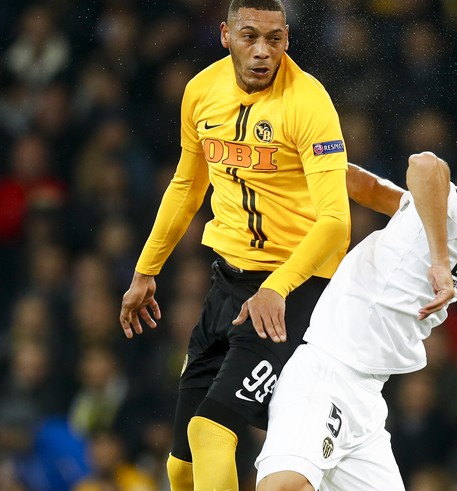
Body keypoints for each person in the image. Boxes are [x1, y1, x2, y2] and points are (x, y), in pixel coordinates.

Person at [117, 1, 402, 490]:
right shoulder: (201, 92)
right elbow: (188, 185)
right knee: (179, 468)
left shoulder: (309, 103)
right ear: (226, 35)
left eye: (275, 39)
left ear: (287, 39)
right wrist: (147, 270)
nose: (262, 52)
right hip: (227, 283)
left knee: (211, 433)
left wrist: (277, 288)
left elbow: (336, 222)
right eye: (250, 37)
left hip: (294, 290)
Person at [256, 149, 457, 490]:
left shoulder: (447, 226)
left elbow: (370, 189)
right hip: (327, 376)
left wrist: (309, 167)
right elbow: (425, 164)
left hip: (366, 400)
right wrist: (440, 261)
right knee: (285, 487)